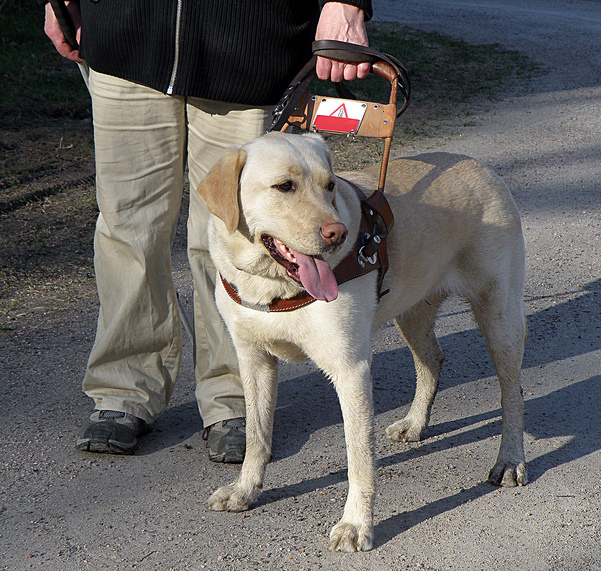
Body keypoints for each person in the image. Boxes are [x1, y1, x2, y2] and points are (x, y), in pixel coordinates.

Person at [42, 0, 372, 462]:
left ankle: (233, 399)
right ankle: (123, 389)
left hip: (249, 43)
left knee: (229, 235)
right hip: (126, 33)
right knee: (126, 227)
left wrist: (346, 2)